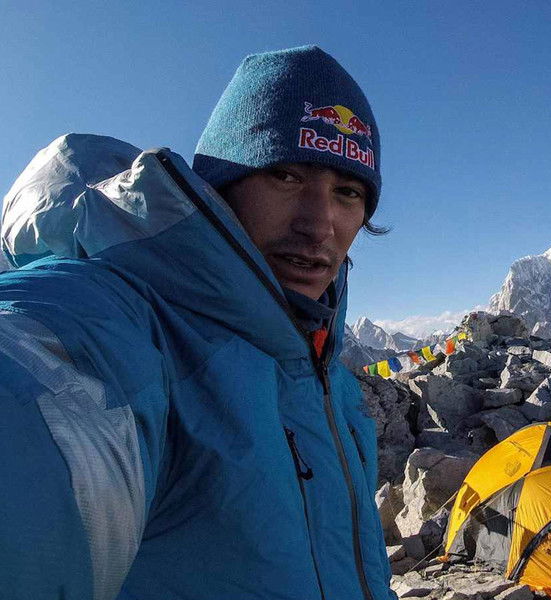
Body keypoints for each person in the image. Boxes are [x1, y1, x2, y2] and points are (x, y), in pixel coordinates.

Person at [0, 46, 394, 600]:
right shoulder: (128, 321)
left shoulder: (316, 357)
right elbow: (37, 381)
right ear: (218, 191)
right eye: (285, 175)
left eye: (347, 192)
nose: (319, 225)